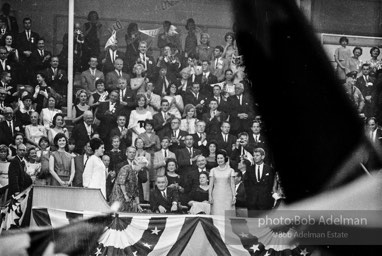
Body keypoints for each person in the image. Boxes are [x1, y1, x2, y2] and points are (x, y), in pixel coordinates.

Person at [244, 148, 276, 214]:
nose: (255, 157)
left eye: (257, 155)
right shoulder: (249, 169)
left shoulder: (269, 169)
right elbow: (246, 185)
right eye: (254, 155)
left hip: (265, 202)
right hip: (252, 202)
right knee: (252, 223)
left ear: (263, 156)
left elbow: (271, 184)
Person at [209, 149, 235, 216]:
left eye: (221, 158)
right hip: (216, 196)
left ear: (225, 159)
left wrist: (234, 196)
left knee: (228, 214)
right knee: (217, 213)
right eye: (218, 158)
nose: (219, 160)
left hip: (228, 195)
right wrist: (210, 196)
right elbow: (211, 185)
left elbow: (232, 184)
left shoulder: (231, 170)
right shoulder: (213, 170)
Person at [135, 137, 151, 202]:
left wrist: (144, 163)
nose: (139, 144)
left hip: (144, 175)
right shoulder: (133, 153)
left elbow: (149, 167)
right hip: (135, 174)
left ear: (143, 144)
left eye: (141, 142)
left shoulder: (147, 154)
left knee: (144, 194)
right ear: (135, 144)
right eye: (138, 142)